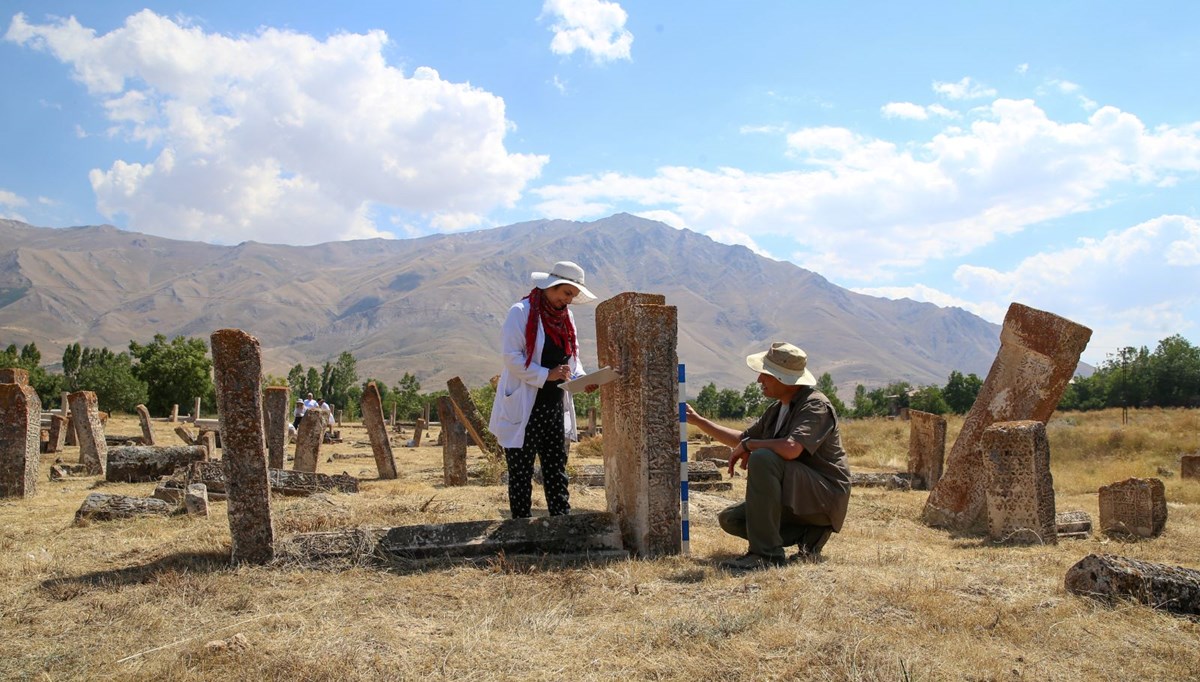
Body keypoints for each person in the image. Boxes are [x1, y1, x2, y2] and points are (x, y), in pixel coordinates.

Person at [685, 342, 851, 571]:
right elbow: (742, 438)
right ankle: (808, 533)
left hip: (822, 496)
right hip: (795, 494)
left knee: (762, 457)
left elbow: (792, 448)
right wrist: (700, 422)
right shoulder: (777, 409)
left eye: (765, 375)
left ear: (782, 378)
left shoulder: (815, 405)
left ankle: (766, 555)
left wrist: (750, 445)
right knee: (731, 519)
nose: (759, 381)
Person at [489, 260, 599, 518]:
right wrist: (546, 374)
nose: (569, 301)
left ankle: (562, 523)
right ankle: (520, 527)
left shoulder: (566, 317)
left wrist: (582, 379)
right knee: (521, 471)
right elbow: (511, 357)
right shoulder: (521, 312)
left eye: (572, 295)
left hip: (553, 405)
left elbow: (572, 357)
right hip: (525, 404)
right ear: (551, 287)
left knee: (556, 468)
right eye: (566, 293)